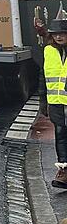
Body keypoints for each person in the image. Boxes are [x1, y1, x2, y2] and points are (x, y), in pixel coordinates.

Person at [45, 18, 67, 188]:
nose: (59, 37)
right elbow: (42, 78)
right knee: (60, 136)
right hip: (56, 103)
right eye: (55, 34)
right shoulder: (48, 51)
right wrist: (42, 102)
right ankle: (64, 171)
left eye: (62, 33)